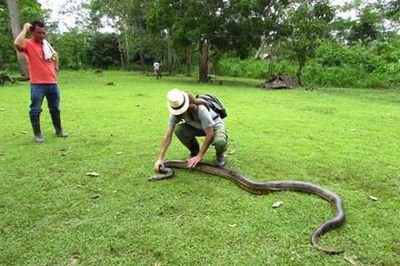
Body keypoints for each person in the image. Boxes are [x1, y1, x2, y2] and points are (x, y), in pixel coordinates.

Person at [14, 21, 68, 143]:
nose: (42, 35)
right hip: (37, 84)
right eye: (38, 32)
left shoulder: (47, 45)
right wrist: (25, 28)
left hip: (52, 83)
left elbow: (55, 56)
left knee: (55, 108)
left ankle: (59, 130)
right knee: (35, 109)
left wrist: (56, 70)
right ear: (32, 32)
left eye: (44, 33)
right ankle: (38, 134)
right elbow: (17, 43)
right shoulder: (28, 44)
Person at [154, 89, 228, 171]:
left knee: (220, 142)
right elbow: (167, 136)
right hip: (200, 128)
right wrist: (160, 159)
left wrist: (200, 156)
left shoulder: (201, 110)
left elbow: (210, 134)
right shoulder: (175, 114)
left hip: (215, 127)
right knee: (179, 130)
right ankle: (194, 152)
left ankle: (220, 154)